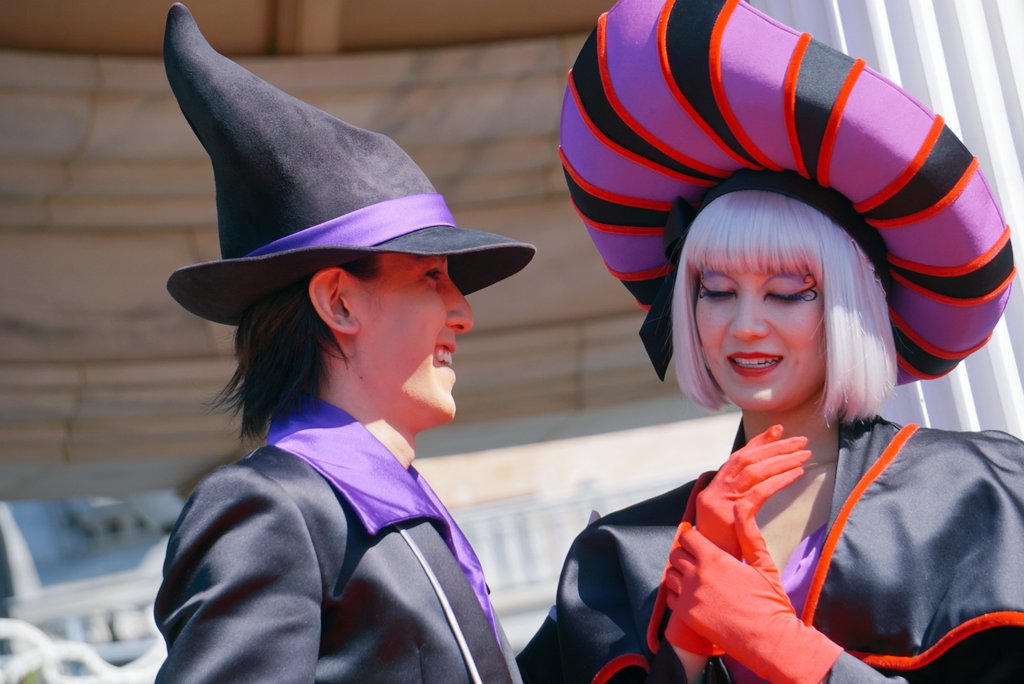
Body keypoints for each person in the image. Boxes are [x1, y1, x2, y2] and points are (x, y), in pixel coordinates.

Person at [517, 0, 1024, 681]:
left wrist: (779, 644)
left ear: (849, 306)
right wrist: (685, 650)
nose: (745, 324)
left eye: (788, 291)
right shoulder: (619, 560)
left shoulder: (984, 494)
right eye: (715, 291)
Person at [153, 4, 534, 682]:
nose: (463, 312)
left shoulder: (369, 500)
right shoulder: (273, 508)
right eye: (431, 276)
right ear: (338, 301)